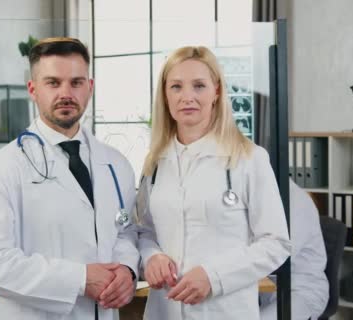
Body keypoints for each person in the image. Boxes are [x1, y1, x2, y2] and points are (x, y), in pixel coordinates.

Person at [0, 37, 140, 320]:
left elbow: (124, 231)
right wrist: (79, 279)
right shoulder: (4, 168)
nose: (66, 93)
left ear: (90, 87)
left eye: (76, 82)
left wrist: (127, 269)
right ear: (33, 90)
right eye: (53, 83)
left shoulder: (115, 163)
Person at [136, 46, 291, 320]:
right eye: (176, 87)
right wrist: (152, 258)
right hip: (164, 310)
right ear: (164, 95)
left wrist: (214, 277)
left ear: (216, 91)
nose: (187, 97)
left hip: (225, 310)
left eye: (199, 86)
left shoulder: (249, 158)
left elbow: (276, 243)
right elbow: (145, 232)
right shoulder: (155, 162)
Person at [259, 179, 329, 320]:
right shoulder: (260, 193)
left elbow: (277, 258)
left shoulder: (294, 200)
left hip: (299, 291)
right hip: (265, 289)